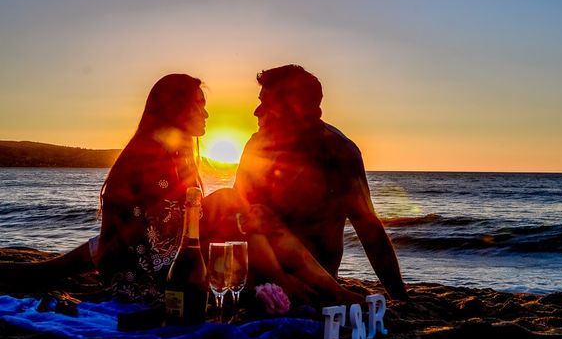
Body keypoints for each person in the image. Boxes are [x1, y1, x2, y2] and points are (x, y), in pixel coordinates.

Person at [1, 73, 362, 306]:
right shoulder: (148, 160)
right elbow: (146, 242)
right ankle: (311, 290)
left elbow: (169, 226)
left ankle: (325, 290)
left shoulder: (178, 156)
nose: (206, 115)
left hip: (161, 258)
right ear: (178, 108)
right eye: (200, 106)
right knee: (238, 208)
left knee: (251, 214)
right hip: (147, 275)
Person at [234, 65, 409, 300]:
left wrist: (400, 297)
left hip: (315, 285)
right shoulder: (257, 147)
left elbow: (369, 230)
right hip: (259, 277)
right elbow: (238, 217)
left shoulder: (338, 153)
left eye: (266, 104)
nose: (257, 112)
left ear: (293, 108)